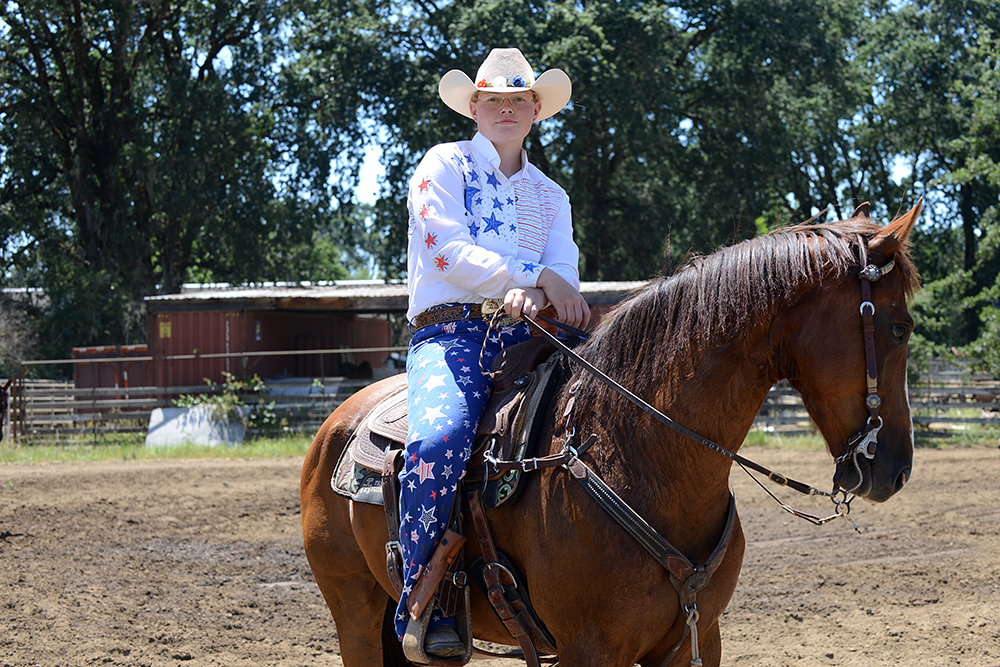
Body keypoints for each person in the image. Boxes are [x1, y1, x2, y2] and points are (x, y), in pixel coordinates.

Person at [396, 47, 590, 659]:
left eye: (518, 101)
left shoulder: (551, 196)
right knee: (436, 442)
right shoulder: (442, 166)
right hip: (452, 335)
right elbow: (443, 250)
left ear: (536, 110)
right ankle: (426, 597)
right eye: (493, 101)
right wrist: (532, 277)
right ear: (474, 108)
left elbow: (565, 274)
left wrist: (549, 289)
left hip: (537, 335)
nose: (506, 110)